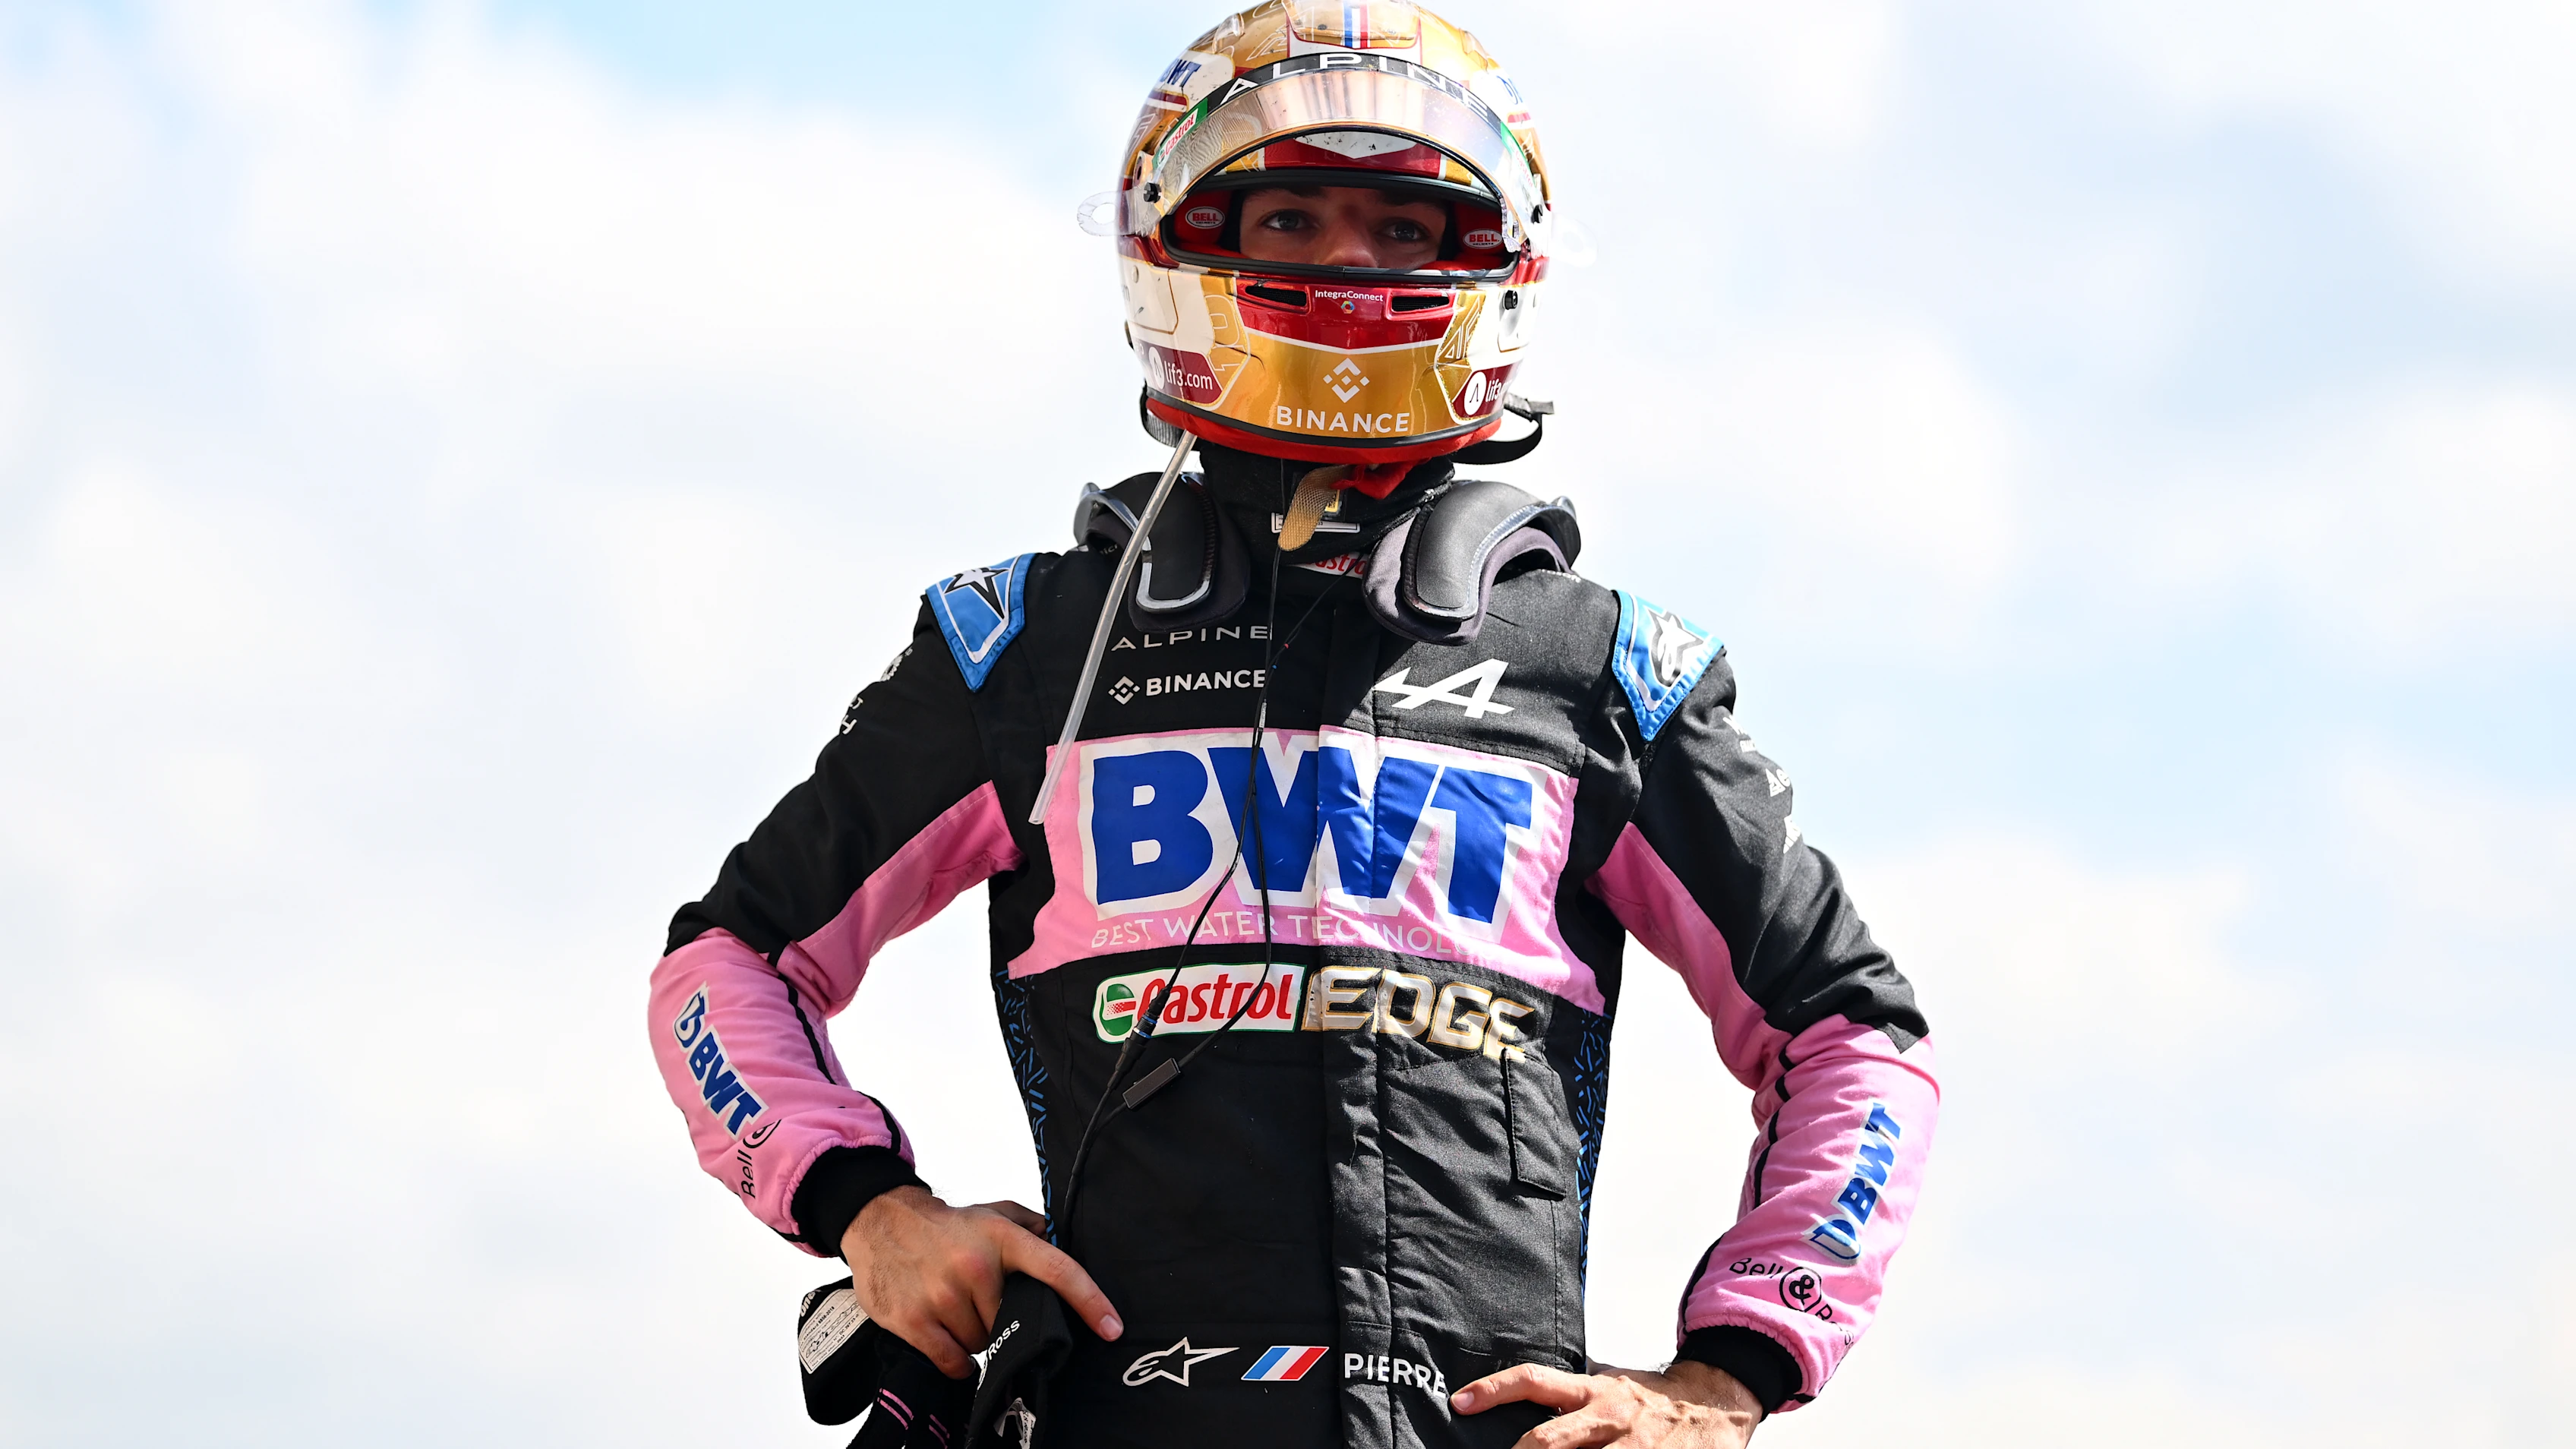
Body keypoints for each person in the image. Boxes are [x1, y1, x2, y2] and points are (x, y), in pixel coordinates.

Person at [648, 4, 1937, 1447]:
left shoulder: (1607, 671)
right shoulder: (1022, 646)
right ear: (1180, 250)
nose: (1347, 265)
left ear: (1492, 266)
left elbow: (1854, 1038)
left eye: (1404, 227)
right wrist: (868, 1212)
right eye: (1292, 217)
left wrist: (1729, 1379)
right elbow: (728, 964)